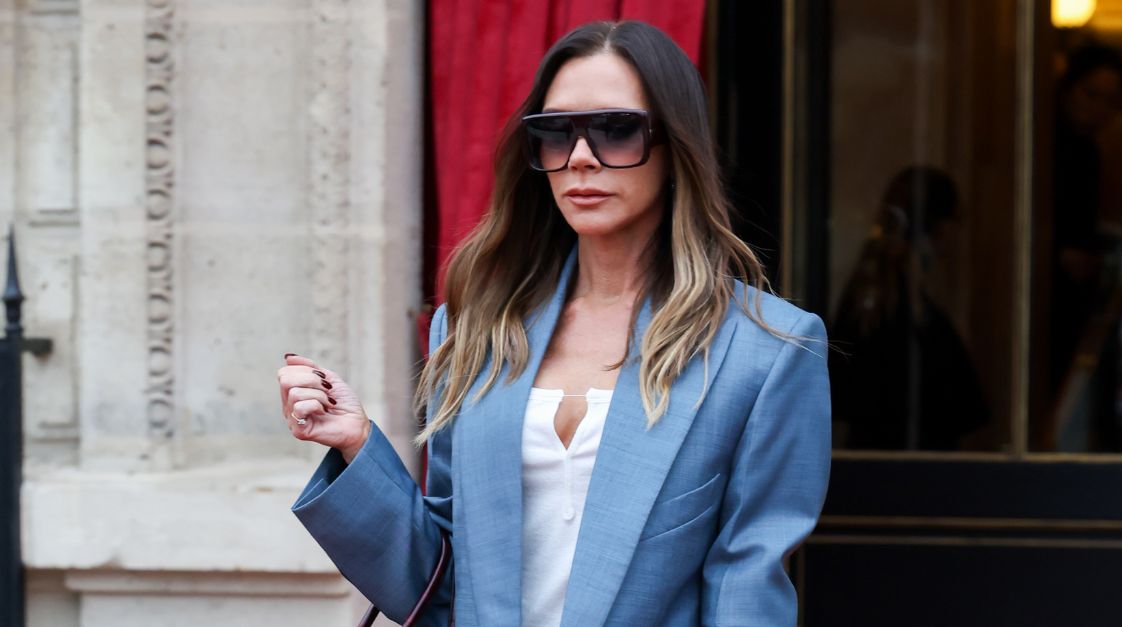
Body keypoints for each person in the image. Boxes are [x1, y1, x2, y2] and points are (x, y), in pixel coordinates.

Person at [275, 21, 830, 626]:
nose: (582, 158)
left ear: (677, 148)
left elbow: (745, 591)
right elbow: (436, 583)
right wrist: (357, 444)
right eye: (555, 134)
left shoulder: (766, 352)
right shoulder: (475, 331)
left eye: (618, 131)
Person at [830, 167, 988, 450]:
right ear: (941, 228)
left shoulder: (868, 297)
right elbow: (961, 406)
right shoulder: (907, 311)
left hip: (870, 468)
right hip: (915, 474)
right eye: (956, 223)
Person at [1049, 44, 1122, 450]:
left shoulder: (1089, 152)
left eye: (1111, 102)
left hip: (1076, 295)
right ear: (1068, 88)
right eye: (1090, 94)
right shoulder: (1042, 143)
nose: (1098, 109)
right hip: (1042, 300)